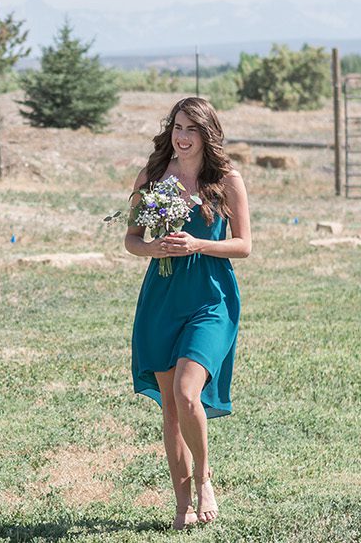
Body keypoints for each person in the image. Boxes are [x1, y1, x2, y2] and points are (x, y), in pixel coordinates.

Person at [125, 97, 250, 529]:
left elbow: (244, 245)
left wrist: (198, 244)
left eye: (191, 129)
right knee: (171, 410)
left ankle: (205, 480)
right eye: (177, 126)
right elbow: (131, 239)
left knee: (187, 391)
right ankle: (181, 506)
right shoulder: (153, 178)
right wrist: (152, 247)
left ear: (206, 134)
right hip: (161, 299)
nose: (181, 136)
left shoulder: (227, 180)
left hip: (211, 297)